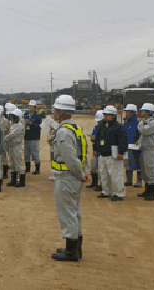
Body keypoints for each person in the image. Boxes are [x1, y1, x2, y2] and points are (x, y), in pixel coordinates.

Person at [50, 95, 90, 262]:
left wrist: (80, 174)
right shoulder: (75, 129)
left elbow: (71, 158)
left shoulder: (64, 132)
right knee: (74, 212)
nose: (53, 113)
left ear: (60, 111)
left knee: (67, 213)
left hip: (67, 177)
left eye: (54, 110)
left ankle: (71, 251)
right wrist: (84, 172)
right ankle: (75, 248)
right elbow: (83, 154)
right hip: (73, 177)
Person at [94, 105, 128, 201]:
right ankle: (105, 191)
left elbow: (123, 141)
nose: (106, 116)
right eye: (105, 114)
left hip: (114, 156)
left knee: (116, 175)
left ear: (113, 116)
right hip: (103, 155)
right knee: (104, 175)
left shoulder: (119, 127)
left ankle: (118, 193)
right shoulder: (102, 127)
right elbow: (97, 139)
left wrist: (121, 152)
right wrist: (96, 149)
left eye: (108, 115)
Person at [137, 103, 154, 201]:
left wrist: (142, 124)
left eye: (143, 111)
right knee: (145, 170)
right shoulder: (143, 122)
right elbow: (140, 128)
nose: (141, 112)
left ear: (148, 112)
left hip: (150, 149)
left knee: (151, 170)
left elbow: (144, 130)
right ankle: (147, 190)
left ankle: (153, 193)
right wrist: (142, 124)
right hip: (144, 148)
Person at [5, 108, 26, 187]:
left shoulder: (19, 126)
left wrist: (4, 138)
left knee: (18, 164)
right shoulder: (13, 125)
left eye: (13, 116)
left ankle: (22, 181)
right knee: (12, 164)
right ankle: (13, 180)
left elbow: (11, 135)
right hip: (11, 146)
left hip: (16, 146)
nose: (11, 118)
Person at [122, 104, 142, 187]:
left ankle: (139, 182)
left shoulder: (138, 122)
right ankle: (129, 181)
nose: (126, 113)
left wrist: (138, 142)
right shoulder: (126, 122)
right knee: (127, 164)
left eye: (127, 112)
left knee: (137, 164)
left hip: (135, 147)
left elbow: (141, 134)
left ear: (132, 113)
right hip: (127, 146)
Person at [24, 100, 43, 175]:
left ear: (34, 107)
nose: (29, 107)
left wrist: (32, 123)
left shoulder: (38, 116)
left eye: (31, 106)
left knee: (35, 153)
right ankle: (27, 168)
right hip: (27, 136)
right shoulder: (26, 114)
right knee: (26, 153)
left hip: (34, 137)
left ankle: (37, 169)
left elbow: (39, 125)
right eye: (29, 106)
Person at [86, 110, 104, 189]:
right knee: (93, 166)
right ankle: (94, 182)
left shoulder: (105, 128)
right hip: (95, 149)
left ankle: (102, 185)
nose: (98, 122)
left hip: (102, 151)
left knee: (101, 169)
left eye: (99, 121)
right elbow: (93, 138)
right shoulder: (96, 127)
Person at [1, 103, 15, 179]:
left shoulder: (14, 122)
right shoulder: (8, 121)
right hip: (7, 141)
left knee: (13, 159)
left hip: (13, 143)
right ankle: (7, 173)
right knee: (6, 157)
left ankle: (15, 176)